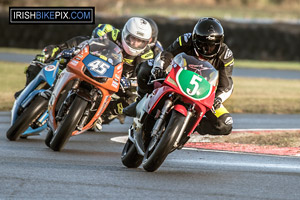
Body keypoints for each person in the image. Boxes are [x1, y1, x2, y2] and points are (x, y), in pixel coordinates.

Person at [125, 17, 234, 136]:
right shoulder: (186, 39)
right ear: (195, 39)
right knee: (145, 67)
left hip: (203, 92)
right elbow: (167, 54)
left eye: (211, 46)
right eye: (202, 44)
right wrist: (159, 68)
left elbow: (226, 85)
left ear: (220, 43)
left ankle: (191, 125)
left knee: (225, 124)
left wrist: (218, 99)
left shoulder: (226, 56)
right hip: (177, 78)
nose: (206, 49)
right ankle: (141, 99)